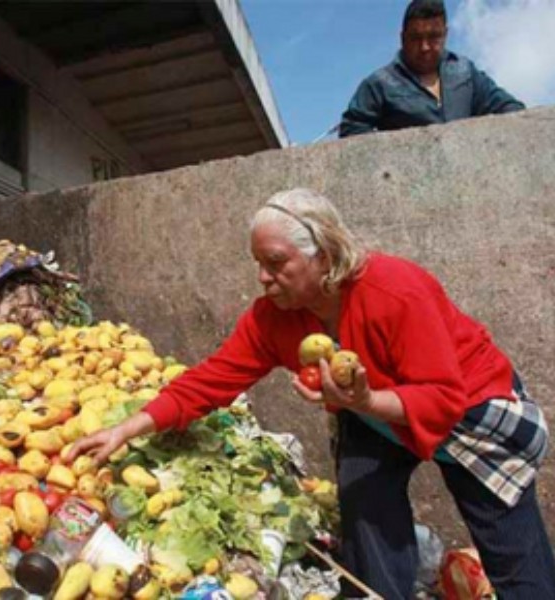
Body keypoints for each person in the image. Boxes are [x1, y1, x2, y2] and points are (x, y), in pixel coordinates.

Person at [68, 188, 555, 599]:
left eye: (276, 262)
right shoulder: (272, 318)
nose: (263, 277)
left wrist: (364, 402)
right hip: (373, 416)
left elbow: (442, 396)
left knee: (510, 544)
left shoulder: (395, 289)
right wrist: (128, 427)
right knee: (367, 510)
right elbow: (213, 379)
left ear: (323, 253)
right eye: (258, 263)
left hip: (468, 412)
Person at [338, 0, 524, 138]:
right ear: (402, 38)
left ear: (445, 34)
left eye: (434, 37)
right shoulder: (379, 84)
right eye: (416, 38)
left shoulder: (465, 71)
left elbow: (509, 108)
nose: (425, 47)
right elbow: (352, 130)